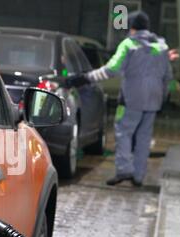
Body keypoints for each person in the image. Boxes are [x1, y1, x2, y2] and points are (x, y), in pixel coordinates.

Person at [68, 11, 173, 187]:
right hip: (154, 100)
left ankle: (124, 170)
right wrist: (162, 98)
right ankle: (139, 176)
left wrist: (86, 78)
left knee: (124, 132)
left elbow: (111, 69)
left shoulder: (129, 44)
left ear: (132, 28)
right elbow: (167, 76)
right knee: (144, 137)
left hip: (132, 98)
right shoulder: (161, 47)